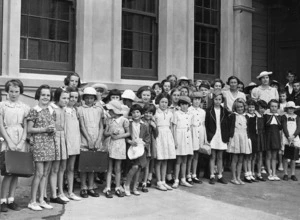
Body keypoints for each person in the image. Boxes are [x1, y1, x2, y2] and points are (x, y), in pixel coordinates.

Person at [0, 79, 30, 212]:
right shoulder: (2, 106)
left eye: (16, 91)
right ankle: (2, 201)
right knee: (8, 172)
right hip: (8, 138)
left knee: (16, 171)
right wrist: (9, 142)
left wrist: (22, 141)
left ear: (20, 92)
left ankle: (11, 199)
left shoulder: (24, 107)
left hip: (20, 140)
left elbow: (26, 126)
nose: (13, 94)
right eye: (11, 91)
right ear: (7, 91)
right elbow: (0, 125)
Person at [27, 85, 56, 211]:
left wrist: (52, 130)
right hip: (39, 143)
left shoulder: (51, 110)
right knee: (38, 173)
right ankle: (32, 201)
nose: (45, 97)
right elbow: (29, 129)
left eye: (48, 95)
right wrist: (44, 129)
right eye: (43, 94)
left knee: (46, 173)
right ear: (38, 95)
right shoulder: (34, 110)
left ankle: (41, 199)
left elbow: (53, 126)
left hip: (49, 142)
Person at [77, 87, 104, 198]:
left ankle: (91, 186)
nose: (89, 100)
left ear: (94, 99)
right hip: (85, 140)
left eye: (91, 98)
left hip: (96, 138)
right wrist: (88, 139)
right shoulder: (80, 109)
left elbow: (101, 126)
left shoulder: (99, 109)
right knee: (85, 164)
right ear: (84, 98)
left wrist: (98, 140)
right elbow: (82, 126)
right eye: (87, 98)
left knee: (93, 164)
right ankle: (83, 186)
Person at [47, 88, 70, 204]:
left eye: (67, 98)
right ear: (57, 98)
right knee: (55, 169)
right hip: (55, 138)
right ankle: (53, 194)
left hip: (63, 138)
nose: (66, 100)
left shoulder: (64, 109)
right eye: (64, 98)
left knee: (62, 168)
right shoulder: (52, 108)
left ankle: (61, 192)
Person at [104, 100, 130, 198]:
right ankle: (108, 187)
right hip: (111, 144)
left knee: (118, 168)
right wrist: (111, 133)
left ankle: (117, 187)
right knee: (109, 168)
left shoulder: (124, 120)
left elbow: (128, 133)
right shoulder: (109, 120)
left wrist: (118, 136)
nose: (109, 112)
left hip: (120, 145)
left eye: (111, 110)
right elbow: (105, 133)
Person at [124, 104, 150, 196]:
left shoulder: (144, 125)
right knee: (134, 167)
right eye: (134, 112)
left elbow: (147, 138)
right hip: (131, 148)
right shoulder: (128, 123)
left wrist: (143, 143)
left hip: (141, 149)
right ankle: (126, 185)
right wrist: (130, 141)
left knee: (138, 168)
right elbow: (125, 136)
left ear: (141, 113)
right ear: (131, 113)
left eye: (138, 112)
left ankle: (134, 187)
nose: (136, 114)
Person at [205, 90, 229, 185]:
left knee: (220, 157)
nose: (218, 101)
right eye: (216, 99)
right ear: (213, 100)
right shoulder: (209, 111)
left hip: (221, 135)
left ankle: (220, 175)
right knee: (212, 156)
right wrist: (207, 136)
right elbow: (206, 124)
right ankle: (211, 175)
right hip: (213, 135)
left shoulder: (225, 111)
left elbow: (227, 124)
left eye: (219, 99)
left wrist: (227, 136)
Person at [154, 93, 176, 191]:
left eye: (166, 102)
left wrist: (173, 140)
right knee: (159, 159)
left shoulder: (170, 113)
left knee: (165, 159)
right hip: (159, 135)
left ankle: (163, 181)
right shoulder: (155, 112)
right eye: (162, 102)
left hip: (167, 136)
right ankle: (158, 182)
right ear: (158, 102)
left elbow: (171, 127)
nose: (164, 104)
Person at [227, 98, 251, 185]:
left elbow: (247, 129)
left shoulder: (246, 116)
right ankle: (233, 177)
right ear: (235, 108)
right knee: (235, 158)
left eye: (241, 107)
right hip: (235, 138)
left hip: (243, 138)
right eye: (238, 107)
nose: (240, 109)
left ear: (244, 107)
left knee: (241, 159)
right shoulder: (232, 116)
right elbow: (229, 127)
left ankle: (238, 177)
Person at [172, 96, 194, 188]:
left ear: (188, 105)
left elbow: (191, 127)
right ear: (180, 105)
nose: (184, 106)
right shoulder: (176, 114)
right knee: (178, 160)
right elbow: (173, 128)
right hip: (179, 136)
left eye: (186, 104)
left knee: (185, 160)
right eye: (182, 104)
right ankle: (176, 179)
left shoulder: (190, 114)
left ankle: (183, 179)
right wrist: (175, 141)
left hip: (187, 137)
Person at [65, 87, 82, 201]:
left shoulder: (76, 111)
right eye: (71, 97)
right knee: (60, 169)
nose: (73, 99)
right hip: (64, 141)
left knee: (71, 168)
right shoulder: (62, 109)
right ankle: (58, 191)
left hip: (74, 141)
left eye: (76, 97)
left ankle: (71, 192)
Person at [187, 92, 205, 184]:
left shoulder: (202, 111)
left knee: (197, 154)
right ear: (192, 100)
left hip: (200, 132)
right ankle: (188, 174)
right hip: (192, 132)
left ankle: (194, 174)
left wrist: (204, 138)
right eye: (195, 99)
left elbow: (203, 124)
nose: (197, 101)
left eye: (199, 99)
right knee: (191, 154)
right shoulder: (189, 110)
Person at [141, 104, 158, 190]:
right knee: (140, 164)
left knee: (147, 164)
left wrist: (155, 128)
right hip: (141, 144)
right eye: (146, 112)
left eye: (150, 113)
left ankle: (145, 182)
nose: (148, 114)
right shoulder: (141, 121)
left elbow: (156, 135)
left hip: (150, 145)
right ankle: (137, 181)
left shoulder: (153, 122)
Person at [282, 101, 300, 181]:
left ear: (294, 109)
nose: (291, 110)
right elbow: (284, 127)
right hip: (286, 137)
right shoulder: (284, 116)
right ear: (287, 109)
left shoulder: (297, 117)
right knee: (285, 156)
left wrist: (293, 136)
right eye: (289, 108)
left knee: (293, 157)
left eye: (292, 108)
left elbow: (298, 128)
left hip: (294, 138)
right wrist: (288, 137)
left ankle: (293, 174)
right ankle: (285, 173)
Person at [264, 99, 281, 181]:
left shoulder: (279, 117)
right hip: (268, 137)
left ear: (277, 107)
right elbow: (265, 124)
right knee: (268, 155)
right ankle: (269, 173)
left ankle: (274, 173)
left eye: (275, 106)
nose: (273, 108)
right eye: (272, 106)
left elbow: (280, 127)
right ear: (269, 107)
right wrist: (272, 116)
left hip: (276, 137)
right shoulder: (266, 116)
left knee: (274, 156)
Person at [245, 99, 259, 183]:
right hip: (248, 137)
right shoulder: (246, 116)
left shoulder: (256, 116)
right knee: (247, 156)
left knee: (253, 156)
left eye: (252, 107)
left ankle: (251, 173)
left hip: (254, 137)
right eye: (249, 107)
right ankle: (247, 173)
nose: (251, 109)